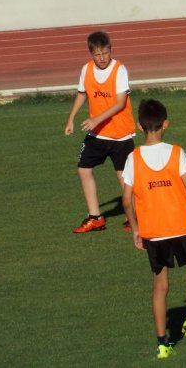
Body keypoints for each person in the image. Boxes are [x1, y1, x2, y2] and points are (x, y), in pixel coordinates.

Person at [122, 99, 186, 359]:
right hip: (182, 226)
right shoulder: (176, 152)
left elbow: (126, 199)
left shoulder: (133, 158)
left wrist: (137, 229)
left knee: (160, 285)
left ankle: (162, 344)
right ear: (166, 124)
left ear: (139, 126)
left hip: (153, 231)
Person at [64, 31, 135, 233]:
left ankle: (133, 216)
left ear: (111, 50)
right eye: (97, 54)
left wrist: (96, 119)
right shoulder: (86, 70)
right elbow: (81, 94)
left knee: (124, 178)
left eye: (105, 53)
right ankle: (95, 217)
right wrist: (71, 119)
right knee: (83, 169)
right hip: (97, 134)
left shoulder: (119, 70)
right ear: (90, 54)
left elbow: (120, 103)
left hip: (121, 135)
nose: (102, 58)